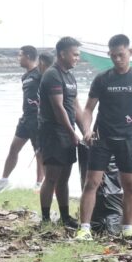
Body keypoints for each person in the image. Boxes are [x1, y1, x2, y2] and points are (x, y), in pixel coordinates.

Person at [77, 34, 132, 240]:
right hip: (102, 138)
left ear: (130, 53)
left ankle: (127, 228)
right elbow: (88, 109)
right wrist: (87, 130)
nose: (117, 59)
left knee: (129, 185)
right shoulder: (102, 79)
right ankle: (84, 229)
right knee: (92, 183)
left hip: (127, 139)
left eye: (121, 55)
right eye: (113, 56)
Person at [37, 37, 86, 228]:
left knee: (65, 176)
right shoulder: (52, 75)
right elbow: (58, 108)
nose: (77, 58)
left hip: (67, 132)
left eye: (78, 55)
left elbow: (75, 107)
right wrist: (71, 132)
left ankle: (65, 217)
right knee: (51, 176)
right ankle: (46, 218)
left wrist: (85, 131)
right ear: (62, 54)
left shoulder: (70, 76)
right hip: (53, 132)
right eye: (74, 54)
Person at [0, 45, 48, 192]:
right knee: (13, 148)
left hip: (38, 119)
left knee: (39, 152)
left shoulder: (40, 73)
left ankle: (39, 184)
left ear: (28, 56)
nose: (18, 59)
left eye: (20, 56)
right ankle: (3, 181)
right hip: (25, 118)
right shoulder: (25, 76)